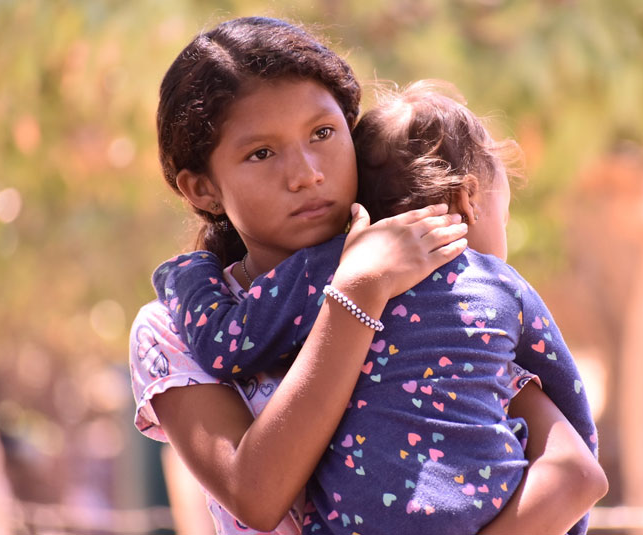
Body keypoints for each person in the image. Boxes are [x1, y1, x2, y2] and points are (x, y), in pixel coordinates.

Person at [131, 16, 605, 535]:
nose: (307, 172)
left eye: (323, 133)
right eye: (261, 153)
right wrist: (358, 292)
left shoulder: (431, 285)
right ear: (202, 189)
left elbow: (573, 474)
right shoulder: (171, 331)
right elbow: (257, 495)